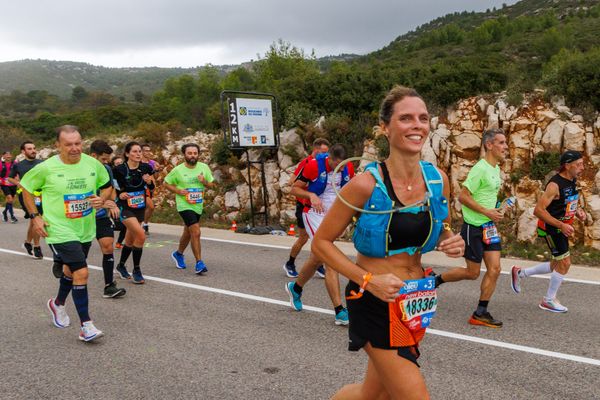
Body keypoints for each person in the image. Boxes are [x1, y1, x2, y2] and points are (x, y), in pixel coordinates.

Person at [312, 86, 464, 399]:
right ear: (385, 128)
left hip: (412, 301)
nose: (417, 125)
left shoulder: (438, 179)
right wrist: (369, 280)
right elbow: (321, 244)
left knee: (371, 395)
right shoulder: (365, 185)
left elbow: (442, 220)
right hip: (373, 301)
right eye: (406, 118)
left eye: (422, 118)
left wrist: (449, 237)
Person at [21, 125, 111, 342]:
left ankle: (57, 304)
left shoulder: (93, 164)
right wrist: (35, 217)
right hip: (58, 228)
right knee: (82, 272)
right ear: (57, 146)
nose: (74, 148)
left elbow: (107, 185)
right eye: (68, 144)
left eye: (78, 143)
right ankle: (86, 326)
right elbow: (26, 188)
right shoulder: (47, 167)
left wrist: (103, 198)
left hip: (85, 227)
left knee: (71, 272)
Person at [434, 128, 509, 328]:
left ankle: (480, 312)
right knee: (472, 272)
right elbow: (463, 196)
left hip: (489, 227)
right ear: (489, 145)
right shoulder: (481, 168)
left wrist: (496, 212)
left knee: (495, 269)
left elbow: (485, 196)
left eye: (505, 143)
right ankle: (435, 280)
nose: (505, 147)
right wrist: (486, 212)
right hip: (474, 227)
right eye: (501, 143)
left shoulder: (495, 169)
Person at [285, 144, 355, 325]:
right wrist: (311, 195)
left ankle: (296, 288)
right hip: (313, 214)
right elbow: (293, 188)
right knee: (329, 258)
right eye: (333, 163)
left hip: (333, 216)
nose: (336, 167)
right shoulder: (314, 165)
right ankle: (340, 310)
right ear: (328, 157)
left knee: (317, 258)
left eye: (339, 164)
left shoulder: (348, 167)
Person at [511, 150, 585, 312]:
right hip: (552, 229)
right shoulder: (554, 185)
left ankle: (520, 273)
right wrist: (561, 225)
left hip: (560, 227)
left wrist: (577, 211)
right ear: (567, 165)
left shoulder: (572, 180)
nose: (582, 167)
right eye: (578, 164)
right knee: (565, 263)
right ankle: (548, 300)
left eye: (582, 164)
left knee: (555, 264)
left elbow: (566, 201)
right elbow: (539, 210)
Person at [164, 143, 215, 274]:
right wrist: (178, 191)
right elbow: (166, 183)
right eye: (189, 153)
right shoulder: (178, 170)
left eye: (195, 153)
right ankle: (199, 263)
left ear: (198, 154)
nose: (192, 156)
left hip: (197, 204)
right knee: (196, 232)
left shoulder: (204, 167)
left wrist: (204, 181)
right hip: (184, 205)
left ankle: (178, 254)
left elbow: (212, 185)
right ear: (184, 155)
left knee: (188, 232)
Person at [282, 138, 330, 278]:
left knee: (320, 238)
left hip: (318, 209)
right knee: (304, 238)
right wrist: (310, 190)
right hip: (304, 206)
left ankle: (318, 265)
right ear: (315, 150)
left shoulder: (325, 165)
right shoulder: (307, 163)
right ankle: (290, 263)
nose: (326, 155)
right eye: (323, 152)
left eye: (327, 152)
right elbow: (292, 182)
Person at [89, 140, 126, 298]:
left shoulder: (106, 170)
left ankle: (109, 286)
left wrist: (113, 204)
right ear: (93, 156)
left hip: (101, 216)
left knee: (108, 246)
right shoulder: (81, 171)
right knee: (76, 259)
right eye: (103, 159)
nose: (106, 163)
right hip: (80, 219)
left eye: (107, 160)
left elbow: (110, 190)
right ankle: (60, 261)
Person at [113, 142, 154, 284]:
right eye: (135, 151)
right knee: (141, 235)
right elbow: (114, 188)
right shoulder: (119, 169)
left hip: (139, 206)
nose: (138, 154)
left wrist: (148, 182)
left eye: (139, 151)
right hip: (125, 207)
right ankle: (137, 270)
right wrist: (121, 194)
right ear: (127, 154)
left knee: (130, 240)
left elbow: (152, 186)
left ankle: (121, 266)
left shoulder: (146, 168)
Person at [8, 141, 44, 259]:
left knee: (33, 220)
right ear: (23, 151)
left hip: (40, 195)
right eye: (29, 149)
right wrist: (18, 184)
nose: (33, 150)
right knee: (36, 218)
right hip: (26, 196)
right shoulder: (18, 165)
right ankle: (37, 247)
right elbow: (9, 178)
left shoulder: (42, 163)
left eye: (34, 148)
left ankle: (28, 243)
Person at [141, 144, 160, 235]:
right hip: (142, 188)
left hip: (151, 188)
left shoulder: (152, 163)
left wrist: (156, 170)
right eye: (146, 151)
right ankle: (144, 224)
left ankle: (143, 224)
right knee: (151, 207)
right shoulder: (138, 162)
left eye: (149, 150)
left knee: (145, 208)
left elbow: (156, 177)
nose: (149, 152)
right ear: (142, 151)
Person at [111, 155, 126, 249]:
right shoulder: (112, 177)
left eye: (121, 163)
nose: (120, 165)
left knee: (126, 225)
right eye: (117, 164)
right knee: (122, 225)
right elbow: (117, 189)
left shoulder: (128, 173)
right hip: (115, 202)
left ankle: (119, 243)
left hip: (126, 202)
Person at [0, 151, 18, 223]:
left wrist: (17, 178)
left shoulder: (15, 164)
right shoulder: (1, 164)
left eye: (9, 154)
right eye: (6, 154)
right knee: (10, 199)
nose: (8, 156)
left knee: (10, 201)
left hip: (13, 184)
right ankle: (12, 216)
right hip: (4, 184)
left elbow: (18, 172)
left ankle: (4, 212)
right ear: (3, 156)